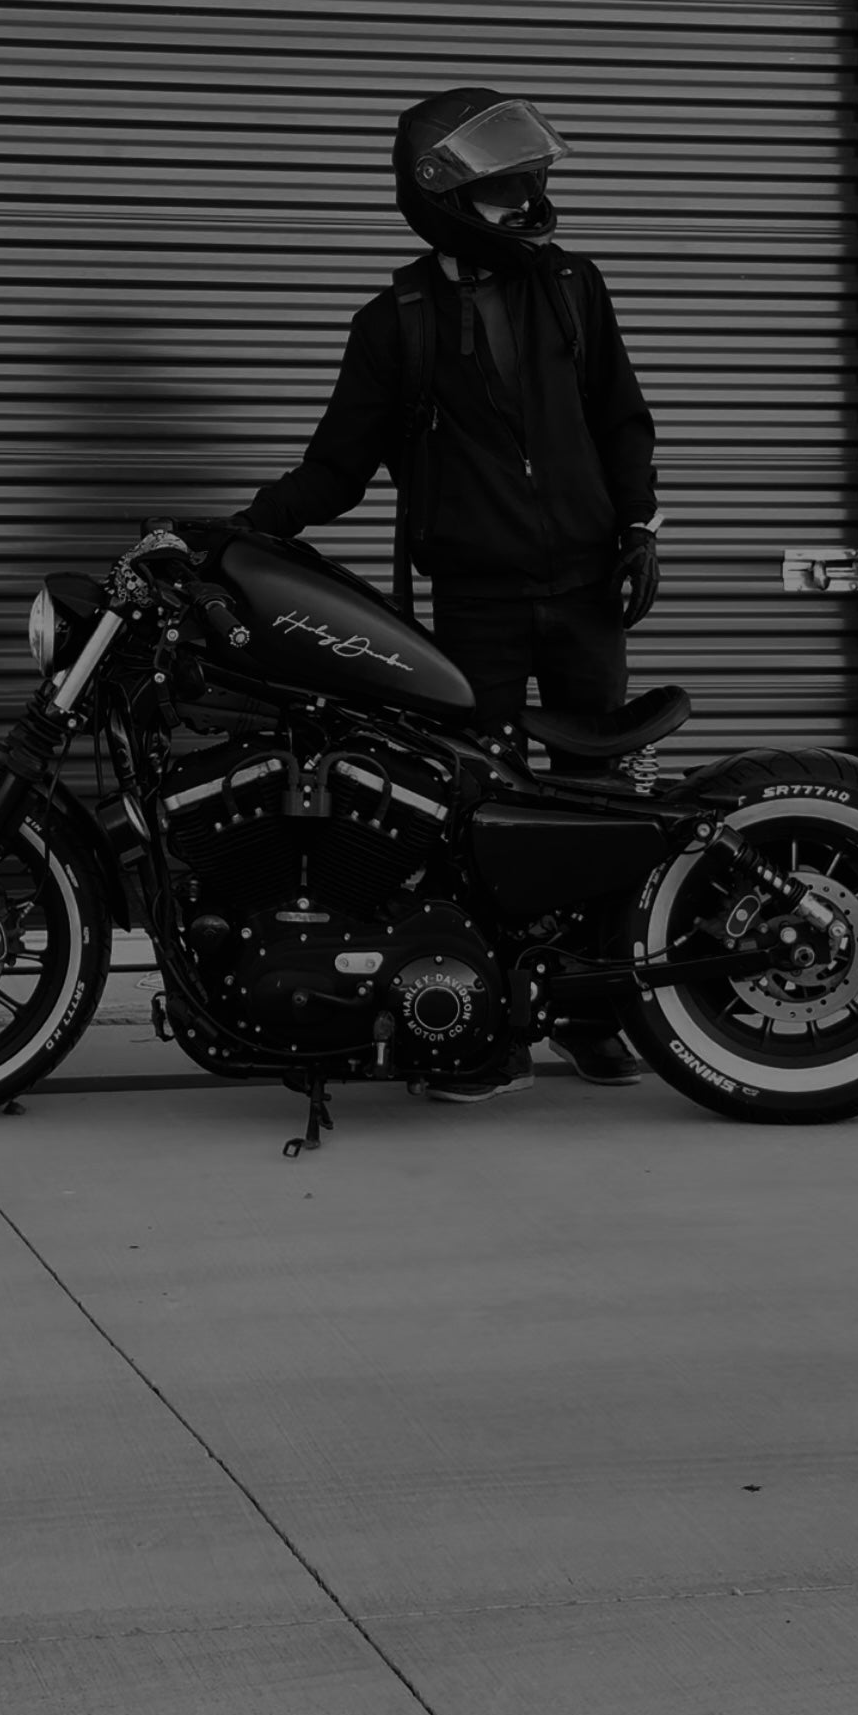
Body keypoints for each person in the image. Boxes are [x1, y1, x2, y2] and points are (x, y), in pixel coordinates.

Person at [236, 86, 661, 1102]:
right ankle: (485, 1032)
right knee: (477, 814)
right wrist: (244, 529)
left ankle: (594, 1016)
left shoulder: (575, 287)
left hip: (587, 592)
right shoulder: (396, 325)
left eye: (531, 185)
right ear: (443, 199)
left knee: (600, 804)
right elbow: (336, 469)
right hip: (478, 604)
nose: (531, 205)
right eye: (508, 191)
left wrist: (642, 526)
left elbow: (623, 417)